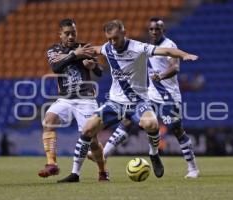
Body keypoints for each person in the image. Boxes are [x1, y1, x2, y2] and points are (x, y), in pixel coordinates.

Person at [57, 19, 198, 183]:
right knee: (88, 129)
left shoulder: (138, 47)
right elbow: (94, 49)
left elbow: (166, 51)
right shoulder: (108, 47)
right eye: (109, 38)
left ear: (124, 33)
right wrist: (73, 55)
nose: (112, 42)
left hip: (139, 102)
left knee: (151, 124)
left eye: (115, 38)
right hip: (115, 103)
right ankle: (75, 174)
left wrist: (184, 55)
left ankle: (153, 153)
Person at [38, 18, 109, 181]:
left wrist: (93, 66)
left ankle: (103, 171)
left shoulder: (85, 48)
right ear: (60, 34)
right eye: (67, 33)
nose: (71, 37)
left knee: (92, 141)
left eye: (73, 33)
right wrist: (74, 55)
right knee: (48, 121)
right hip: (65, 98)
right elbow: (55, 67)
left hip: (85, 99)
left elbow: (99, 72)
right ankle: (52, 164)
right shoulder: (53, 50)